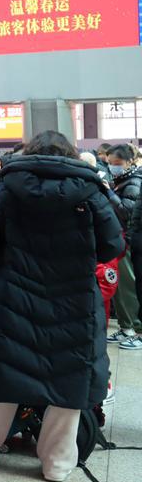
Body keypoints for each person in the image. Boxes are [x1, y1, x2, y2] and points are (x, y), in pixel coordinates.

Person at [0, 131, 122, 482]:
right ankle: (58, 464)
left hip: (13, 296)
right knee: (69, 378)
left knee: (4, 374)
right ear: (71, 154)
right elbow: (111, 245)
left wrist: (3, 274)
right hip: (74, 300)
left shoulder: (8, 187)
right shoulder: (90, 189)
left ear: (30, 152)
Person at [106, 144, 142, 348]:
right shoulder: (121, 180)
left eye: (116, 163)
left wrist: (108, 194)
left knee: (128, 285)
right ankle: (126, 326)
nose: (112, 167)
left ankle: (136, 328)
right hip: (118, 238)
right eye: (110, 163)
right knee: (118, 286)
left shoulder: (134, 182)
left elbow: (127, 212)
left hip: (127, 239)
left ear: (129, 162)